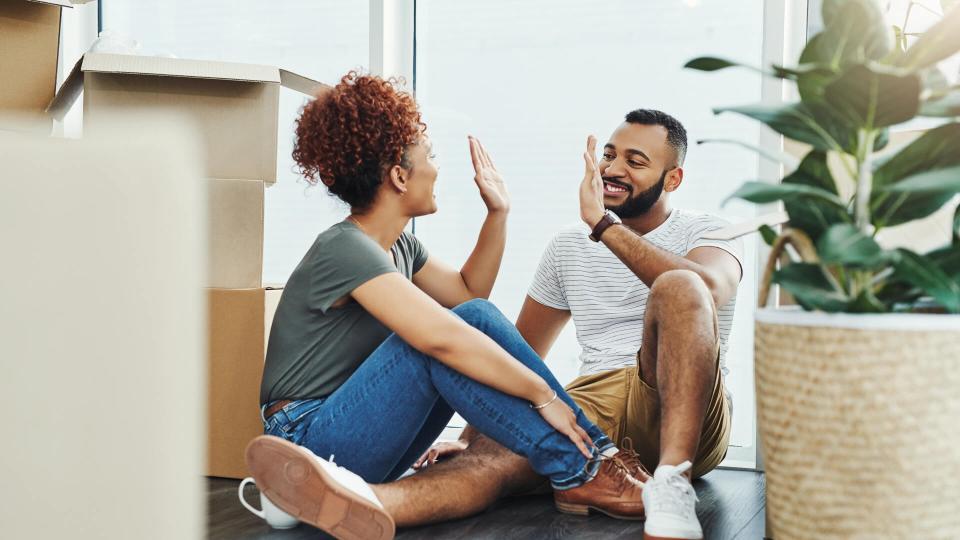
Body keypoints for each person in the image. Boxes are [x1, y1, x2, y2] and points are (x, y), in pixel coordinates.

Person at [254, 108, 745, 540]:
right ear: (401, 177)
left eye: (634, 160)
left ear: (672, 177)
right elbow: (446, 337)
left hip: (347, 429)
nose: (437, 168)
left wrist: (499, 212)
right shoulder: (345, 247)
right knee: (457, 343)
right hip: (307, 431)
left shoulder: (399, 247)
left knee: (471, 318)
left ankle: (321, 493)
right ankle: (590, 467)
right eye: (429, 157)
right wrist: (540, 398)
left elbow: (469, 294)